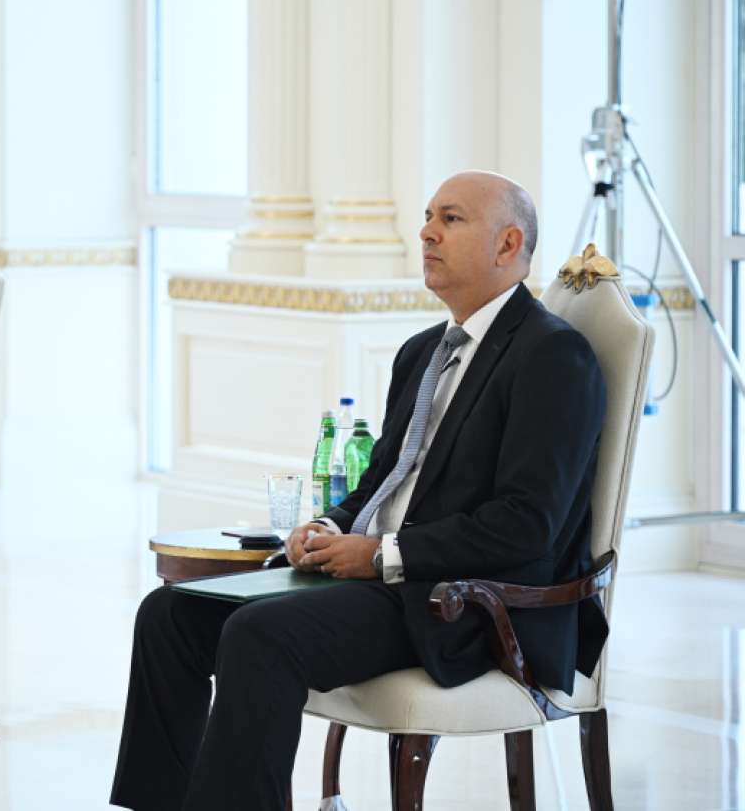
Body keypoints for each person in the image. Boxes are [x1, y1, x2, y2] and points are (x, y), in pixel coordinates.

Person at [110, 171, 608, 810]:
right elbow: (381, 483)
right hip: (387, 583)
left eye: (451, 219)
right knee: (168, 615)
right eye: (427, 216)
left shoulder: (552, 356)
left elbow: (526, 524)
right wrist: (329, 527)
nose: (427, 233)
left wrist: (380, 555)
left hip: (467, 604)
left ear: (508, 244)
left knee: (260, 634)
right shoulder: (422, 351)